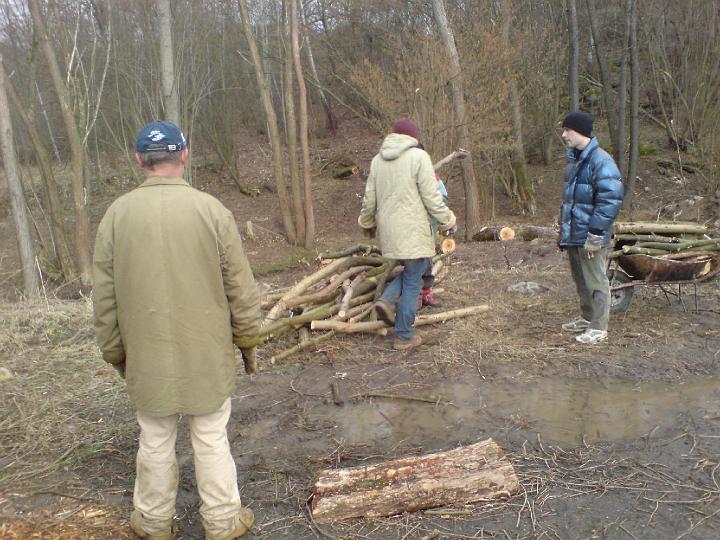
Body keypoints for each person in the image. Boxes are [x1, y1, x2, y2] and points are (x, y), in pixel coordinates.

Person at [93, 121, 261, 540]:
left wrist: (114, 351)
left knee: (154, 436)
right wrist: (249, 339)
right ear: (183, 155)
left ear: (139, 160)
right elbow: (240, 287)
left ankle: (152, 522)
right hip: (206, 350)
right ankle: (222, 522)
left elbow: (105, 298)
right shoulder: (212, 211)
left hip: (146, 353)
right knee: (209, 435)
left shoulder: (116, 215)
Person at [358, 117, 456, 350]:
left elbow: (369, 199)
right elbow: (432, 198)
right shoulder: (418, 157)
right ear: (413, 137)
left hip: (391, 234)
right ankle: (403, 335)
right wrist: (448, 220)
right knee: (414, 279)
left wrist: (367, 223)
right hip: (414, 231)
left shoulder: (377, 161)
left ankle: (386, 300)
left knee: (413, 270)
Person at [558, 111, 624, 345]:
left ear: (580, 132)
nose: (563, 134)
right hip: (575, 234)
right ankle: (587, 318)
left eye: (568, 130)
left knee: (596, 281)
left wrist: (596, 232)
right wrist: (564, 233)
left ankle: (599, 328)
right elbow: (571, 201)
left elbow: (610, 200)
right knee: (581, 280)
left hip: (591, 235)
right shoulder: (574, 160)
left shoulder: (601, 160)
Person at [418, 172, 449, 308]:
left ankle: (425, 294)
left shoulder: (431, 176)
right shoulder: (402, 174)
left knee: (427, 259)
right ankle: (416, 296)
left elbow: (443, 199)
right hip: (409, 227)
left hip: (428, 224)